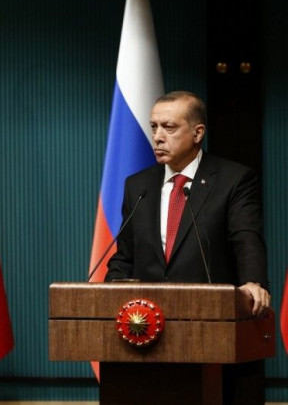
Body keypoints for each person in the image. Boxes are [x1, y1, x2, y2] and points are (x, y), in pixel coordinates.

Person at [105, 90, 269, 404]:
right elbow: (124, 256)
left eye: (169, 127)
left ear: (197, 133)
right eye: (154, 127)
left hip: (209, 328)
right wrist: (109, 294)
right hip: (146, 332)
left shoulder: (234, 180)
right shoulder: (137, 185)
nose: (158, 137)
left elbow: (245, 238)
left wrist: (254, 282)